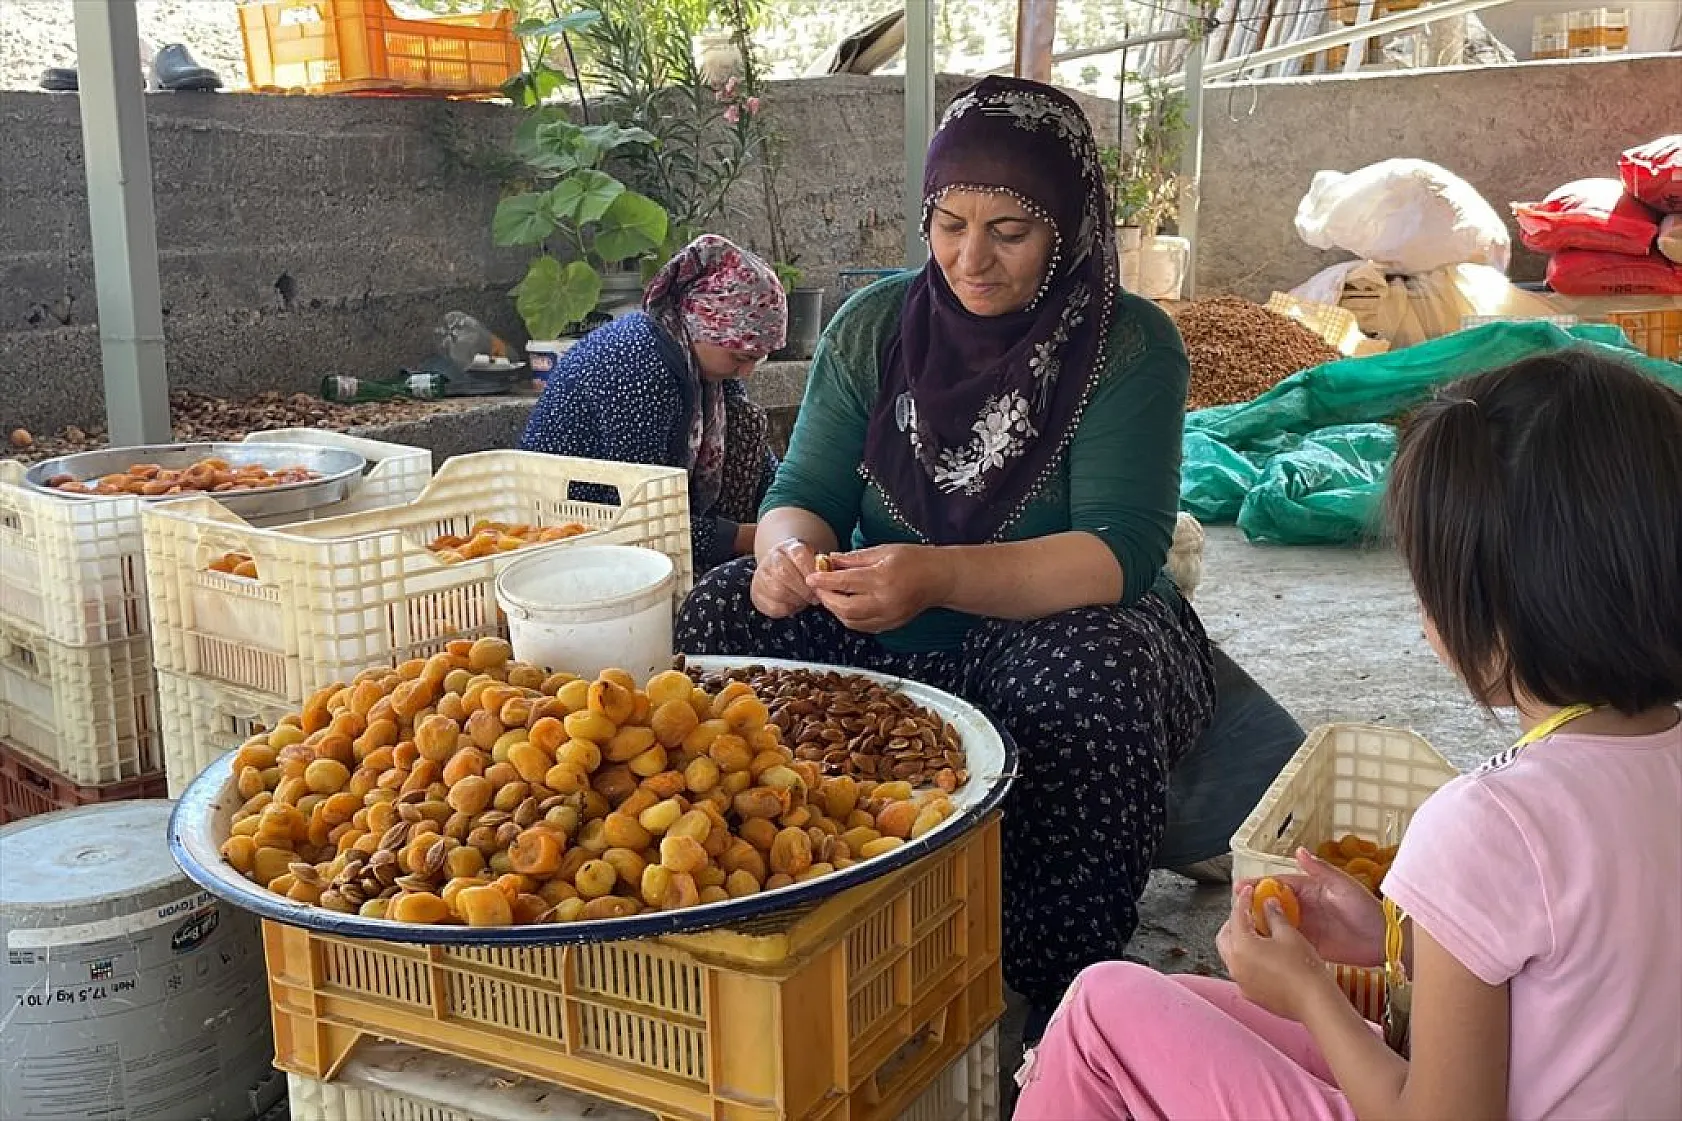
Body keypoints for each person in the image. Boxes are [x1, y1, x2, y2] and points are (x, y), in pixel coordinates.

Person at [673, 76, 1217, 1035]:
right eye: (950, 224)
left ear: (1069, 227)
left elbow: (1121, 551)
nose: (972, 258)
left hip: (1046, 628)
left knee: (1093, 674)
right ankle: (767, 915)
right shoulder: (877, 325)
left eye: (1011, 231)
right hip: (881, 623)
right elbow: (805, 492)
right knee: (722, 609)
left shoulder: (1127, 344)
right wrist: (789, 557)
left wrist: (935, 574)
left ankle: (1058, 1000)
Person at [1014, 349, 1682, 1121]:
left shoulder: (1489, 822)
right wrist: (1397, 942)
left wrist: (1309, 990)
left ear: (1491, 615)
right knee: (1181, 1003)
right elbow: (1578, 979)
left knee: (1099, 1010)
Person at [520, 234, 787, 572]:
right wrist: (746, 538)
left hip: (642, 515)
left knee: (747, 421)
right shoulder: (639, 365)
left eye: (757, 359)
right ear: (702, 324)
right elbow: (638, 516)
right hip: (579, 524)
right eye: (740, 357)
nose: (746, 372)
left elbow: (761, 462)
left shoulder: (703, 364)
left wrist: (787, 512)